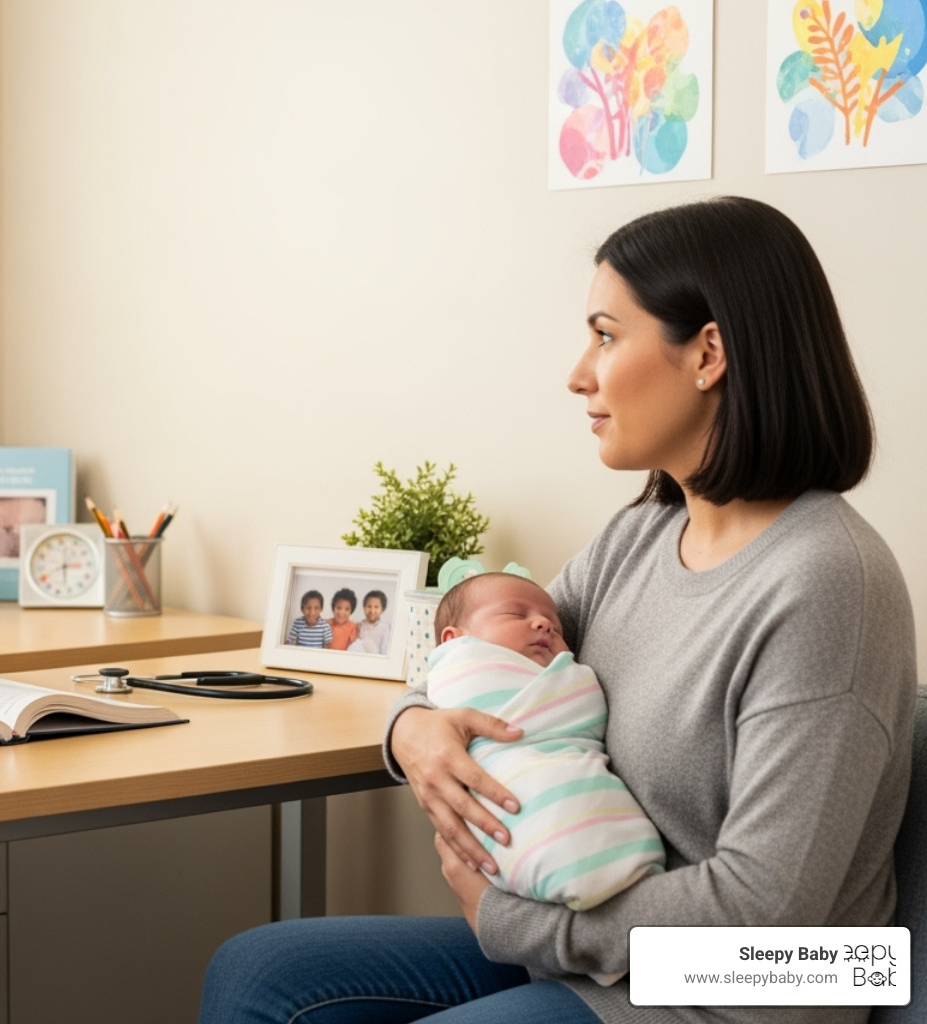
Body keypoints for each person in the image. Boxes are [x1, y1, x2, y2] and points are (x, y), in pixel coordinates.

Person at [198, 196, 916, 1024]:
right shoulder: (640, 536)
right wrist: (412, 730)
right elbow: (474, 655)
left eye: (606, 335)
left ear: (708, 353)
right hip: (589, 959)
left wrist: (513, 922)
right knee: (256, 972)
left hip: (730, 1004)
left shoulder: (827, 583)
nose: (579, 374)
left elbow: (768, 915)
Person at [427, 571, 664, 985]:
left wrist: (492, 916)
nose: (545, 625)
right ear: (455, 642)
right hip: (556, 926)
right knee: (294, 960)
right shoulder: (624, 550)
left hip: (693, 971)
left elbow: (782, 961)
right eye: (516, 615)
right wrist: (409, 725)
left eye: (555, 626)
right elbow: (441, 682)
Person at [349, 588, 390, 654]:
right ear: (364, 607)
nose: (372, 611)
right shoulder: (359, 626)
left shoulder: (385, 627)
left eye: (376, 607)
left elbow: (384, 649)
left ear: (383, 609)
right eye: (369, 606)